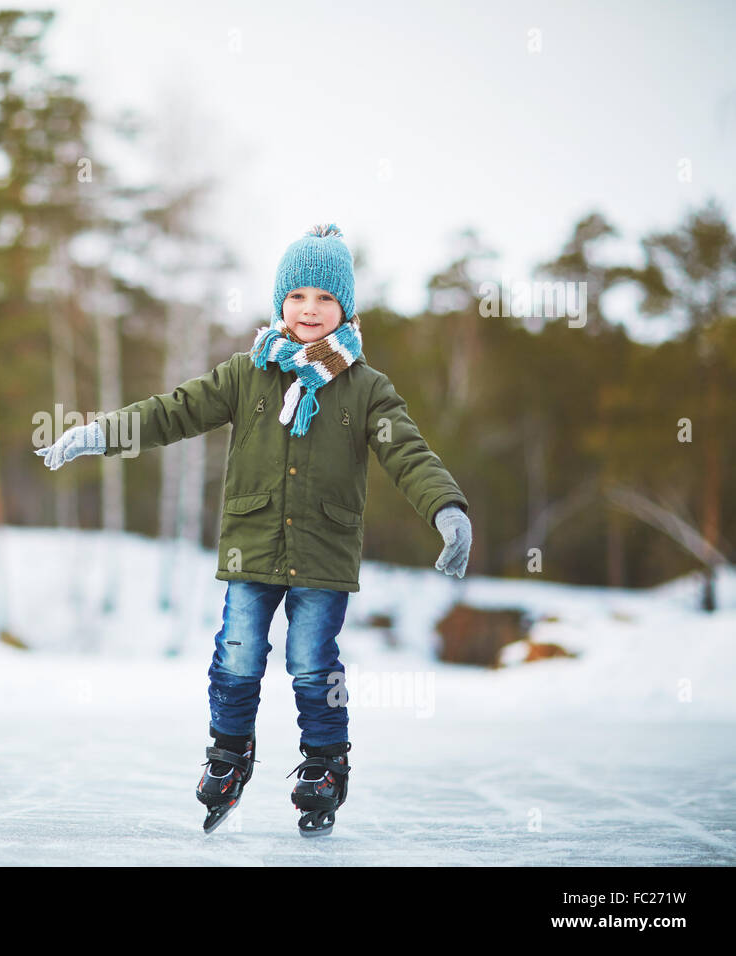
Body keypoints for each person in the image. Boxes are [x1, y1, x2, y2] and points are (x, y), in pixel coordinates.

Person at [37, 223, 472, 835]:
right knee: (237, 653)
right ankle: (229, 752)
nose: (310, 309)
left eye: (324, 298)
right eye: (297, 296)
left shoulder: (368, 389)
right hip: (251, 549)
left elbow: (408, 453)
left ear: (345, 307)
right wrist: (98, 432)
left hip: (323, 552)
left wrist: (446, 509)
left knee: (312, 662)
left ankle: (325, 764)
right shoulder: (248, 373)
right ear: (279, 304)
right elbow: (173, 411)